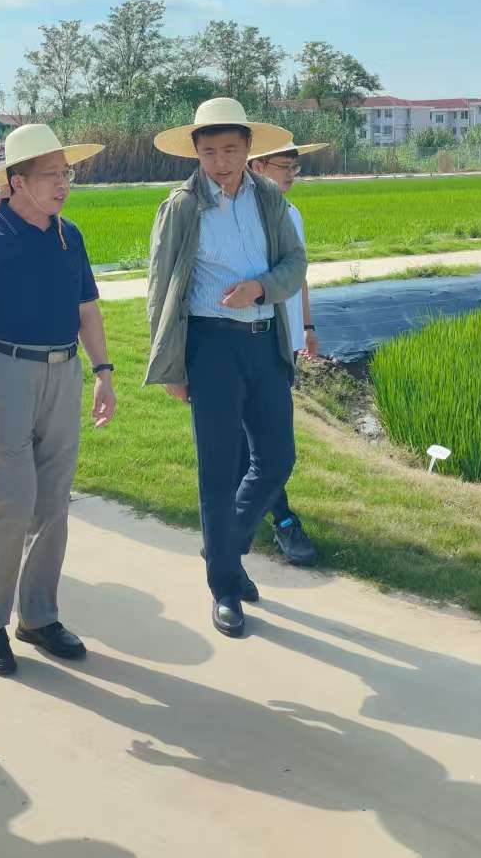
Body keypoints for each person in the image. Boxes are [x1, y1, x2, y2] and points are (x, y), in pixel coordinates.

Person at [0, 123, 118, 676]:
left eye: (65, 174)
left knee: (53, 502)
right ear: (16, 181)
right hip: (5, 372)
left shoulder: (70, 237)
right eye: (50, 175)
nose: (62, 184)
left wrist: (103, 372)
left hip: (64, 372)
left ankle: (39, 617)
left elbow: (87, 309)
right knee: (11, 503)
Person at [144, 97, 307, 639]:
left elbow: (295, 263)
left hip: (264, 343)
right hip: (210, 347)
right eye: (210, 152)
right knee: (218, 470)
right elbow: (160, 288)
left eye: (232, 150)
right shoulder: (182, 206)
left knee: (277, 458)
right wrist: (171, 365)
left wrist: (261, 287)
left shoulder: (268, 198)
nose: (221, 162)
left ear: (248, 149)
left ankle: (223, 550)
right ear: (196, 152)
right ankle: (225, 588)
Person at [241, 140, 329, 565]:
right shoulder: (244, 217)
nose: (292, 174)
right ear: (258, 165)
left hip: (285, 343)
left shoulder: (292, 213)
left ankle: (236, 523)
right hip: (253, 339)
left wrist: (307, 328)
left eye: (296, 167)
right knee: (264, 445)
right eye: (284, 166)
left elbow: (300, 275)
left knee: (264, 444)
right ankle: (282, 520)